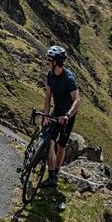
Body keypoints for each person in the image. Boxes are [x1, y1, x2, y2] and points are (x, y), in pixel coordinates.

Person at [39, 45, 81, 188]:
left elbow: (77, 100)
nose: (47, 63)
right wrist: (46, 116)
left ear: (55, 62)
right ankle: (51, 176)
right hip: (56, 112)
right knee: (50, 142)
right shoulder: (50, 75)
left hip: (68, 116)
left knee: (61, 147)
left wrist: (68, 115)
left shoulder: (69, 78)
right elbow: (47, 97)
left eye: (49, 60)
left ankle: (56, 173)